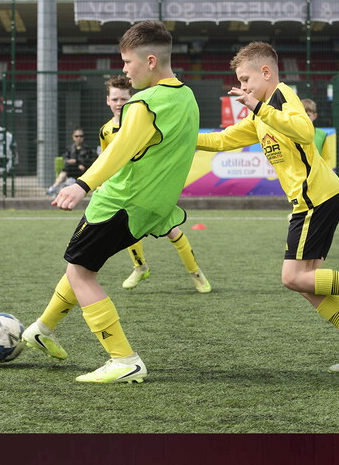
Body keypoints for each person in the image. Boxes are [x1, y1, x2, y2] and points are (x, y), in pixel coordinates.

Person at [196, 42, 339, 373]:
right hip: (318, 198)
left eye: (246, 79)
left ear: (266, 72)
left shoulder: (282, 96)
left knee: (293, 278)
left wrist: (259, 107)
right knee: (309, 282)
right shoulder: (261, 113)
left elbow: (304, 131)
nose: (242, 87)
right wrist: (183, 137)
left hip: (315, 198)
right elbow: (224, 140)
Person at [21, 20, 199, 384]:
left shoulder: (144, 103)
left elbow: (118, 152)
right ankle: (42, 328)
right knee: (83, 264)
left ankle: (124, 359)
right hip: (153, 207)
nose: (123, 70)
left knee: (80, 272)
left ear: (150, 60)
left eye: (127, 62)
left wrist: (81, 184)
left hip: (119, 202)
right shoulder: (187, 97)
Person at [99, 75, 211, 293]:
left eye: (123, 98)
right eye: (115, 99)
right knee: (126, 230)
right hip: (126, 191)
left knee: (173, 231)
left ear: (131, 98)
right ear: (108, 101)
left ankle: (196, 273)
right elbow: (106, 159)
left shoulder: (141, 122)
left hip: (153, 189)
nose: (119, 103)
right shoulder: (105, 131)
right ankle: (140, 267)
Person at [45, 128, 97, 195]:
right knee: (68, 168)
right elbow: (66, 159)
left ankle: (54, 187)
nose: (79, 138)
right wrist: (77, 163)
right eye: (77, 136)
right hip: (71, 170)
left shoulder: (88, 149)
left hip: (82, 172)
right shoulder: (69, 149)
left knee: (67, 170)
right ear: (73, 137)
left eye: (81, 136)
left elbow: (88, 162)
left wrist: (76, 162)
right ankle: (56, 186)